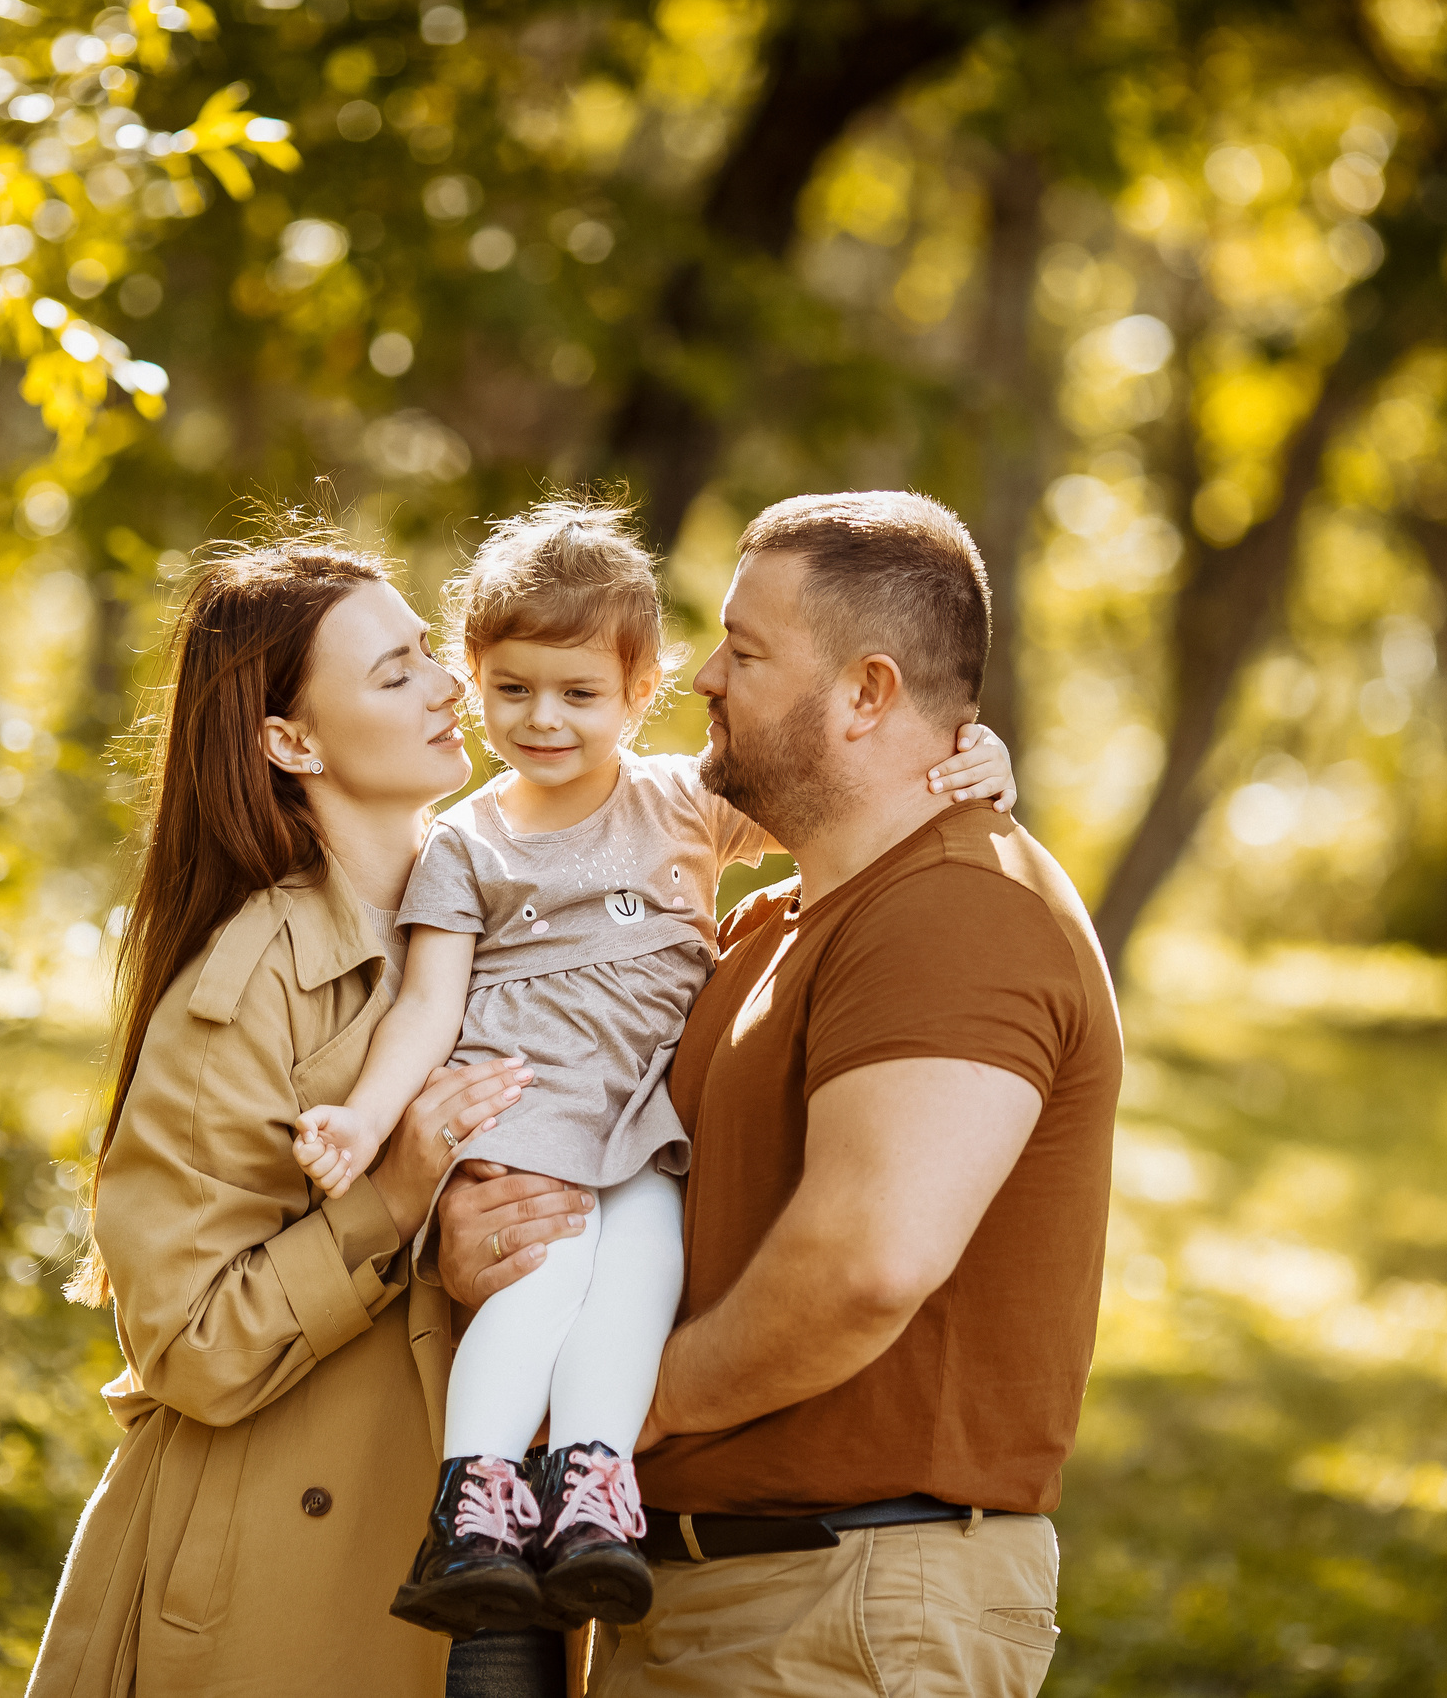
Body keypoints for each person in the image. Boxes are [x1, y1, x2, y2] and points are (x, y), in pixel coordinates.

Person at [290, 501, 1016, 1646]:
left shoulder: (684, 803)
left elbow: (852, 793)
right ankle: (472, 1504)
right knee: (540, 1283)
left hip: (645, 1122)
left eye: (578, 694)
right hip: (528, 1107)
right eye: (513, 689)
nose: (543, 719)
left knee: (639, 1276)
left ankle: (591, 1487)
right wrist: (365, 1119)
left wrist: (968, 758)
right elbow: (427, 1005)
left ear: (639, 693)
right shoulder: (467, 844)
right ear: (475, 679)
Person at [443, 491, 1121, 1697]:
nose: (704, 676)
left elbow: (866, 1265)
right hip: (697, 1594)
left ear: (867, 693)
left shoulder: (955, 912)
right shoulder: (766, 926)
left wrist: (629, 1411)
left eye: (745, 653)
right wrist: (495, 1224)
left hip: (845, 1599)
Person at [25, 526, 568, 1698]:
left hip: (503, 1542)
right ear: (291, 741)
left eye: (429, 654)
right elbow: (188, 1345)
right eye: (393, 674)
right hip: (281, 1578)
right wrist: (391, 1199)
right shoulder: (246, 988)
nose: (446, 687)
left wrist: (949, 760)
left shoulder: (519, 897)